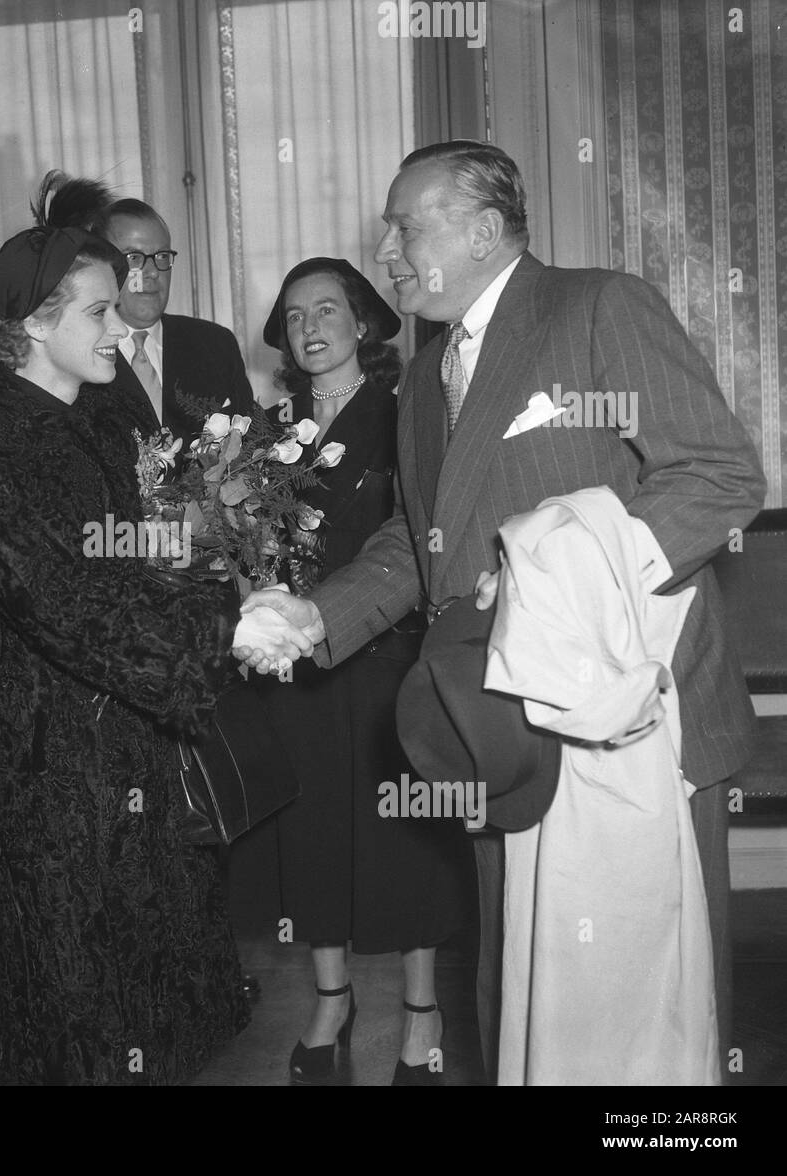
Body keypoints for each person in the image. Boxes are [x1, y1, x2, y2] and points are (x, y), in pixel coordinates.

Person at [239, 140, 765, 1082]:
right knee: (523, 999)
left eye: (407, 225)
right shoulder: (425, 377)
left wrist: (555, 576)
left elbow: (720, 478)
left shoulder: (599, 307)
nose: (388, 250)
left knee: (651, 1021)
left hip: (627, 728)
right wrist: (312, 618)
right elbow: (419, 537)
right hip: (498, 735)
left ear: (484, 231)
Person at [0, 219, 287, 1085]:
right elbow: (61, 604)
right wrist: (224, 630)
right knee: (77, 1007)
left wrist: (235, 591)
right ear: (37, 323)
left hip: (142, 750)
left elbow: (143, 559)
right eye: (99, 311)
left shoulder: (99, 416)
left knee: (161, 1007)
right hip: (52, 773)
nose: (123, 329)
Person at [245, 258, 472, 1085]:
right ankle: (332, 998)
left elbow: (424, 535)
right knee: (312, 836)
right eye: (295, 313)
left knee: (401, 837)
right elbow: (247, 545)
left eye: (328, 309)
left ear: (365, 322)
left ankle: (420, 1009)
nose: (311, 326)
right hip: (298, 663)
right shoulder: (265, 431)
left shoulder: (410, 410)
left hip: (388, 655)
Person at [95, 196, 255, 451]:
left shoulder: (215, 345)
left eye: (161, 256)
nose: (152, 272)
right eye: (134, 258)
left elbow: (250, 449)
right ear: (100, 266)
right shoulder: (83, 352)